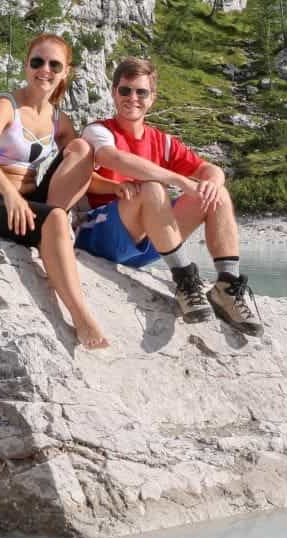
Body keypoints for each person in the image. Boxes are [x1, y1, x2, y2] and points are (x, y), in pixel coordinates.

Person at [74, 56, 263, 336]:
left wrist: (212, 180)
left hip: (149, 242)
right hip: (102, 233)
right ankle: (185, 279)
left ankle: (227, 285)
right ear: (114, 92)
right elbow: (111, 158)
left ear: (153, 97)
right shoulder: (99, 131)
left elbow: (209, 168)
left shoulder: (161, 141)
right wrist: (176, 179)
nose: (132, 98)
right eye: (125, 90)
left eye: (141, 92)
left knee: (216, 192)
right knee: (151, 187)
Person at [0, 33, 108, 349]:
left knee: (82, 147)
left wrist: (119, 187)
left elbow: (79, 168)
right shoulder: (6, 105)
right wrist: (9, 193)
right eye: (37, 62)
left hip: (31, 203)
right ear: (26, 65)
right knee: (57, 219)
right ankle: (80, 315)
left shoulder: (59, 119)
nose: (44, 70)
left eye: (54, 64)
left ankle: (53, 231)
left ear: (65, 72)